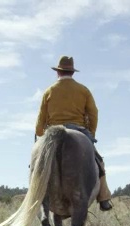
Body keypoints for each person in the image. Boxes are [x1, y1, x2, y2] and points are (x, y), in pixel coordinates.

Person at [35, 55, 113, 211]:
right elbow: (93, 113)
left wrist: (40, 133)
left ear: (58, 72)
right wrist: (90, 134)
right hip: (79, 130)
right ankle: (104, 198)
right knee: (99, 162)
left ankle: (35, 197)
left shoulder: (49, 91)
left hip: (52, 131)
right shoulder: (83, 90)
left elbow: (41, 118)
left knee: (37, 165)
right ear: (72, 72)